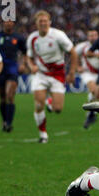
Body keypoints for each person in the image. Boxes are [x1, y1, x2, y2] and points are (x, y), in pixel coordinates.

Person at [26, 10, 78, 143]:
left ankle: (50, 102)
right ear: (36, 23)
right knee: (38, 104)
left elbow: (73, 53)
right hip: (41, 74)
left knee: (58, 109)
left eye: (45, 21)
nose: (43, 23)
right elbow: (29, 56)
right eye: (40, 21)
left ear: (49, 22)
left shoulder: (58, 35)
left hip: (57, 75)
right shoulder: (32, 38)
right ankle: (43, 134)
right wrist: (31, 66)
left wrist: (72, 72)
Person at [0, 21, 27, 132]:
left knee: (9, 95)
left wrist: (22, 64)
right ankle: (4, 121)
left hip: (12, 69)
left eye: (11, 22)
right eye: (6, 22)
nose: (8, 24)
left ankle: (9, 123)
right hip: (0, 69)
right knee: (2, 98)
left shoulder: (18, 38)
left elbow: (25, 53)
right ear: (3, 23)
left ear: (13, 24)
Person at [75, 29, 99, 129]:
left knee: (96, 94)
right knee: (94, 90)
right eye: (91, 35)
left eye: (94, 35)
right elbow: (74, 55)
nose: (93, 37)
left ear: (97, 36)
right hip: (88, 73)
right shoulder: (82, 47)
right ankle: (92, 113)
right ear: (87, 37)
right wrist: (78, 67)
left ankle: (91, 113)